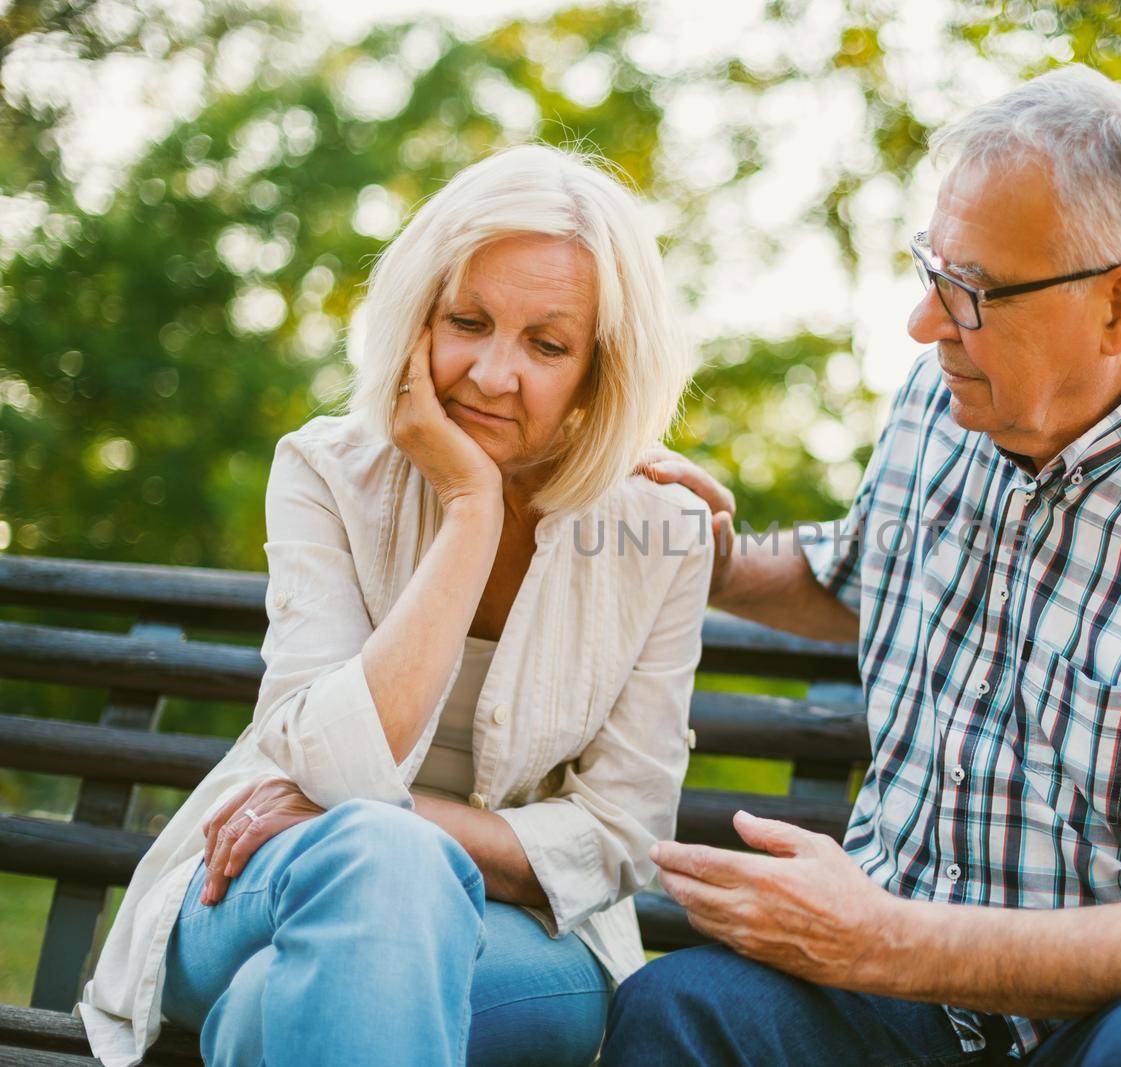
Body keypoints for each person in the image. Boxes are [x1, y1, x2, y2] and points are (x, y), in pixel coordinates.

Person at [611, 65, 1121, 1067]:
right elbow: (859, 578)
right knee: (682, 1009)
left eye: (969, 291)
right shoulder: (946, 401)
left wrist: (884, 938)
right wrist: (714, 559)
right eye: (932, 270)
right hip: (906, 1006)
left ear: (1119, 307)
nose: (926, 324)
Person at [78, 144, 714, 1067]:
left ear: (599, 368)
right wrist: (470, 509)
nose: (494, 375)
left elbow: (620, 834)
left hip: (523, 934)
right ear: (418, 316)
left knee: (276, 1006)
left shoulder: (662, 532)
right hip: (260, 883)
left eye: (546, 344)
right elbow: (329, 754)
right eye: (469, 321)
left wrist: (397, 818)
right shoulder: (327, 472)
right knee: (378, 859)